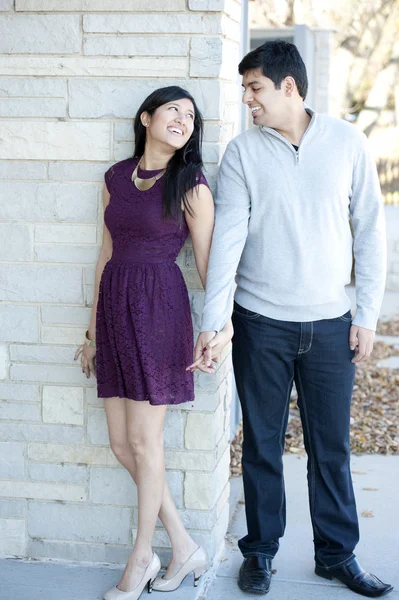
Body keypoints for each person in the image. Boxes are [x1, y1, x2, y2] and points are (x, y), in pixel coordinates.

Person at [190, 41, 393, 597]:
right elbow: (227, 242)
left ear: (288, 87)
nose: (247, 99)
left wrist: (367, 316)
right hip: (261, 323)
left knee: (331, 447)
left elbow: (371, 231)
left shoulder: (347, 143)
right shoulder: (241, 153)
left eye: (254, 87)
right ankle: (260, 552)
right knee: (261, 443)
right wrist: (214, 322)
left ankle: (336, 555)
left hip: (331, 323)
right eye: (244, 89)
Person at [74, 85, 229, 600]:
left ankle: (143, 557)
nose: (183, 118)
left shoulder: (191, 184)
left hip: (160, 312)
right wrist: (93, 331)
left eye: (191, 115)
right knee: (124, 443)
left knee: (146, 441)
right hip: (116, 308)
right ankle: (184, 546)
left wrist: (219, 328)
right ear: (146, 118)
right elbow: (105, 252)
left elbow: (209, 268)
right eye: (173, 110)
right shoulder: (116, 178)